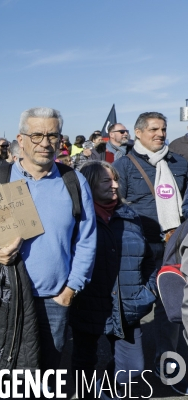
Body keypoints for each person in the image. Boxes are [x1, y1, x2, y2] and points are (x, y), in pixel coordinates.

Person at [0, 107, 97, 389]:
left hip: (53, 300)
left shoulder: (73, 181)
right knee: (0, 371)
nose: (45, 142)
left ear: (60, 140)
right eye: (36, 135)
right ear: (21, 140)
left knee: (44, 375)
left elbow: (86, 239)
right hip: (5, 296)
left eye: (52, 135)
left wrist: (70, 291)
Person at [113, 111, 188, 387]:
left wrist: (179, 228)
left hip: (172, 250)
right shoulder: (123, 166)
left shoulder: (179, 164)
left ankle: (168, 366)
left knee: (171, 311)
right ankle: (128, 371)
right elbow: (114, 204)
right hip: (136, 252)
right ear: (139, 133)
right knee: (132, 310)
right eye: (154, 129)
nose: (160, 134)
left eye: (164, 129)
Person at [71, 161, 157, 397]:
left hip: (127, 304)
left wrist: (147, 292)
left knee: (133, 368)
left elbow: (148, 258)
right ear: (89, 183)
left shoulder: (129, 215)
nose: (116, 185)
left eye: (116, 179)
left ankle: (106, 386)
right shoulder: (76, 219)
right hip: (87, 304)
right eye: (107, 181)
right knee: (83, 362)